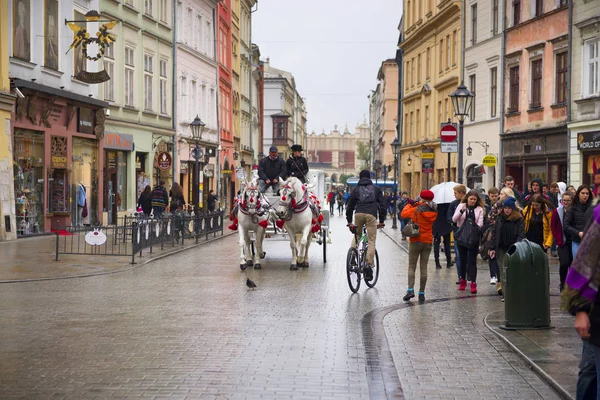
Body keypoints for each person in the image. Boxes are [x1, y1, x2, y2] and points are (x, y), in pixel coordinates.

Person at [561, 204, 600, 400]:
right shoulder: (597, 215)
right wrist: (581, 309)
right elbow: (585, 264)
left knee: (589, 371)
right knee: (588, 374)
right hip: (596, 312)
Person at [346, 169, 387, 282]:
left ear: (360, 177)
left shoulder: (356, 190)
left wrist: (349, 221)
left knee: (357, 236)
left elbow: (349, 206)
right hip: (371, 216)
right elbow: (382, 206)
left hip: (358, 214)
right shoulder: (375, 189)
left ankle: (352, 257)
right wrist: (382, 221)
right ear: (369, 178)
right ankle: (368, 265)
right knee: (371, 240)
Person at [401, 190, 438, 302]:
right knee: (424, 268)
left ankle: (410, 290)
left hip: (416, 240)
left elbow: (403, 214)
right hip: (427, 241)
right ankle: (421, 293)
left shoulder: (416, 208)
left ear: (421, 198)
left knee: (412, 266)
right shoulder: (434, 210)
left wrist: (409, 204)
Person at [489, 197, 526, 297]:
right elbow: (495, 233)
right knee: (502, 270)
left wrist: (516, 245)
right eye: (505, 208)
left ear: (513, 209)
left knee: (513, 270)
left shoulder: (518, 219)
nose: (507, 210)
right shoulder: (500, 218)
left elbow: (521, 234)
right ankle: (506, 295)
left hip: (513, 249)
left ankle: (514, 292)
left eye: (509, 208)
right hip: (501, 248)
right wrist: (492, 248)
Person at [452, 189, 485, 294]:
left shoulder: (479, 209)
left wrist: (473, 226)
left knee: (472, 261)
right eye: (471, 199)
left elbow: (480, 224)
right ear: (467, 198)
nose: (473, 201)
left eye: (475, 199)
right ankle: (463, 280)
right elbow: (454, 219)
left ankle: (473, 283)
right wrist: (462, 211)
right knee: (462, 260)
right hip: (462, 237)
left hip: (473, 238)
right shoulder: (461, 206)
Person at [551, 192, 573, 292]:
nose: (566, 202)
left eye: (568, 200)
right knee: (564, 263)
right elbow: (553, 226)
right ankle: (562, 281)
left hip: (573, 241)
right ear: (562, 201)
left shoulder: (574, 211)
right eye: (564, 200)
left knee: (572, 264)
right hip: (562, 242)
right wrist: (557, 237)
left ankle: (571, 284)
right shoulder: (558, 211)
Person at [564, 185, 593, 258]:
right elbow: (566, 225)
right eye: (583, 193)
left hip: (591, 241)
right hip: (577, 241)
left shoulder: (593, 208)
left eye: (587, 193)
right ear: (578, 194)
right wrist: (578, 233)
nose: (585, 195)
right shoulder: (572, 208)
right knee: (578, 266)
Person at [447, 184, 467, 283]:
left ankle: (467, 275)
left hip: (468, 233)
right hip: (457, 232)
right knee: (458, 255)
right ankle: (460, 276)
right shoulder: (453, 204)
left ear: (461, 193)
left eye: (455, 193)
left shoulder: (469, 202)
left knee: (468, 256)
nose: (454, 195)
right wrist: (453, 220)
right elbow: (449, 217)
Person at [432, 201, 453, 270]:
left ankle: (437, 263)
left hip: (436, 224)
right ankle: (449, 262)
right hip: (446, 225)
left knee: (436, 244)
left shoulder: (435, 204)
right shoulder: (449, 204)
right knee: (447, 244)